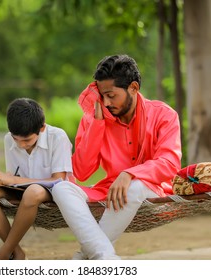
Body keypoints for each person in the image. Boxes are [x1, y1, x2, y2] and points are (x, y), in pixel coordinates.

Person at [51, 54, 182, 260]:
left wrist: (130, 174)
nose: (106, 102)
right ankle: (104, 257)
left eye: (111, 95)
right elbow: (82, 172)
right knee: (61, 188)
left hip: (151, 188)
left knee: (135, 185)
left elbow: (170, 163)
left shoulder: (164, 115)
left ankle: (84, 257)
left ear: (133, 88)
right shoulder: (95, 118)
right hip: (110, 190)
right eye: (102, 96)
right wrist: (96, 124)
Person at [0, 97, 73, 260]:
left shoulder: (57, 137)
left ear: (41, 128)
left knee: (33, 191)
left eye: (27, 140)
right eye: (16, 139)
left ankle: (4, 254)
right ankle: (17, 252)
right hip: (21, 190)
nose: (20, 145)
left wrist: (12, 180)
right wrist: (2, 179)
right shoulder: (8, 138)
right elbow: (14, 176)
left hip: (52, 192)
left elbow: (58, 180)